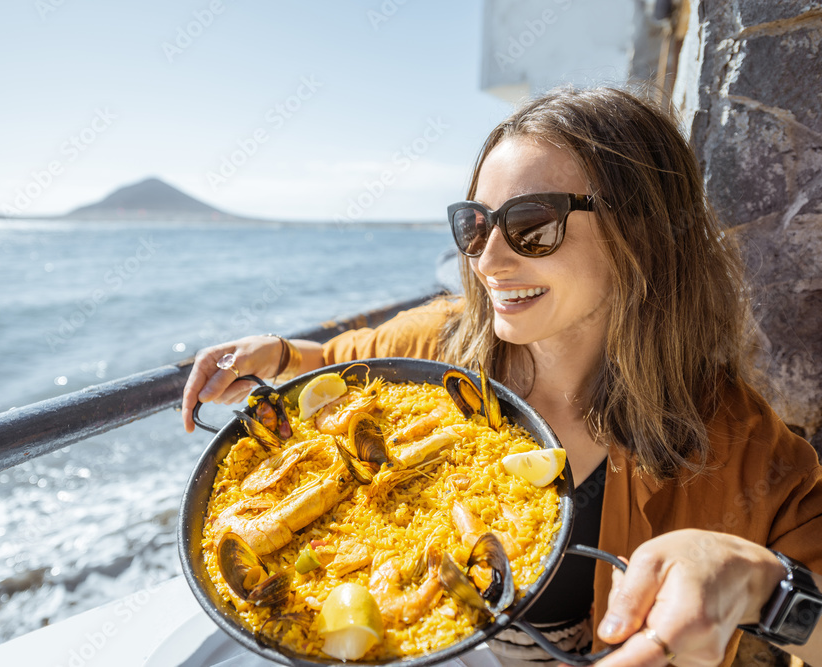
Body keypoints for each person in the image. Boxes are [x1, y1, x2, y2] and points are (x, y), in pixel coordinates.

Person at [181, 87, 822, 667]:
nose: (488, 259)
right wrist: (282, 353)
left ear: (644, 231)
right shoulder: (439, 345)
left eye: (531, 226)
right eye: (476, 224)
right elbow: (339, 363)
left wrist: (763, 586)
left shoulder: (736, 440)